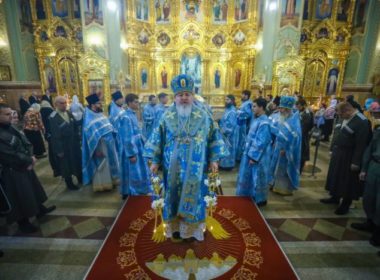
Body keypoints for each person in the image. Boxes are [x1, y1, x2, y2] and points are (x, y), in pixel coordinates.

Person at [144, 74, 227, 242]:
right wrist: (155, 160)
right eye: (180, 95)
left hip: (197, 166)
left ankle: (192, 230)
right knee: (172, 193)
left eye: (187, 94)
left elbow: (214, 137)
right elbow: (157, 138)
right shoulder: (166, 116)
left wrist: (214, 159)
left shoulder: (203, 116)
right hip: (171, 167)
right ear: (174, 97)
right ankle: (175, 228)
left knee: (195, 195)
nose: (183, 98)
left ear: (192, 96)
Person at [0, 103, 56, 233]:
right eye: (7, 114)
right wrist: (29, 159)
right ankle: (23, 222)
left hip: (25, 165)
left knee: (33, 189)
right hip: (13, 171)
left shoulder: (10, 127)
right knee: (19, 196)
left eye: (11, 113)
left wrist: (31, 155)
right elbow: (9, 155)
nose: (11, 116)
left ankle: (39, 210)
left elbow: (25, 141)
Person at [321, 102, 370, 215]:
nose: (340, 117)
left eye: (341, 114)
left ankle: (345, 205)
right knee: (336, 176)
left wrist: (356, 162)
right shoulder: (345, 117)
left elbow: (361, 144)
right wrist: (333, 148)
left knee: (347, 181)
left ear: (348, 111)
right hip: (339, 152)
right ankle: (335, 197)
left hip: (349, 155)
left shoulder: (361, 121)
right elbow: (339, 133)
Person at [351, 106, 380, 246]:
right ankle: (370, 221)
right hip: (374, 166)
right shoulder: (378, 129)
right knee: (369, 197)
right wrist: (364, 168)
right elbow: (370, 149)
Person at [236, 98, 272, 206]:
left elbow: (261, 141)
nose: (252, 108)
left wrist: (254, 157)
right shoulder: (257, 119)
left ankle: (259, 199)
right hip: (249, 153)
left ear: (261, 107)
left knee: (257, 177)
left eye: (254, 106)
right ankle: (248, 195)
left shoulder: (264, 122)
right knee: (249, 176)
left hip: (258, 157)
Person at [82, 93, 120, 192]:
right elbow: (90, 138)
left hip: (109, 145)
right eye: (99, 103)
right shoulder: (88, 118)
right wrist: (96, 150)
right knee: (103, 168)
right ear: (93, 105)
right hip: (100, 147)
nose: (101, 105)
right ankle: (103, 185)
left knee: (111, 164)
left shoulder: (99, 113)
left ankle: (112, 181)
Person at [118, 94, 151, 198]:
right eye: (136, 102)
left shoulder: (132, 114)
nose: (138, 104)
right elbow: (127, 137)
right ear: (129, 103)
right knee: (132, 170)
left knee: (138, 169)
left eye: (138, 102)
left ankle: (133, 190)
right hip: (131, 149)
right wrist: (131, 154)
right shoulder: (126, 117)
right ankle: (131, 191)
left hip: (137, 146)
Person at [269, 96, 302, 196]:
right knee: (276, 167)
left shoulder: (294, 120)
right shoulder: (283, 117)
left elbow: (295, 137)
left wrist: (286, 149)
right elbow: (279, 131)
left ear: (287, 109)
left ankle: (284, 189)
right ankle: (275, 184)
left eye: (282, 108)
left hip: (287, 149)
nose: (280, 110)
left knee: (283, 169)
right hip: (278, 146)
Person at [49, 96, 82, 190]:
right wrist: (59, 150)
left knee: (76, 160)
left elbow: (75, 125)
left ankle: (80, 178)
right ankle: (69, 183)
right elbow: (55, 135)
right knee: (66, 165)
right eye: (61, 103)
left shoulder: (68, 112)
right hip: (63, 145)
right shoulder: (53, 117)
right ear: (56, 104)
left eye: (65, 103)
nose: (64, 105)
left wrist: (78, 137)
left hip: (73, 143)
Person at [40, 99, 60, 176]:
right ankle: (58, 169)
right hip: (52, 134)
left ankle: (55, 169)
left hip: (47, 134)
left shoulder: (41, 110)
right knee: (55, 151)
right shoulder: (49, 110)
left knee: (51, 152)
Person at [219, 95, 238, 170]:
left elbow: (231, 125)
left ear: (232, 101)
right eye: (225, 99)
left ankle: (228, 166)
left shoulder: (232, 111)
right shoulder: (227, 109)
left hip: (229, 135)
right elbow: (224, 120)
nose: (226, 101)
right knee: (224, 149)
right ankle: (223, 164)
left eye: (228, 100)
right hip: (224, 133)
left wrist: (224, 130)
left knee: (229, 149)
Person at [296, 98, 314, 173]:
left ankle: (299, 169)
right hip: (298, 135)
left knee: (302, 153)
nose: (297, 107)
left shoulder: (307, 114)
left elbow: (305, 127)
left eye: (299, 106)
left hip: (303, 136)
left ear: (303, 105)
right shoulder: (300, 112)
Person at [236, 90, 253, 161]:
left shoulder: (248, 104)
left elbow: (248, 114)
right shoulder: (244, 103)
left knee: (242, 140)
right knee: (240, 140)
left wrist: (238, 112)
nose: (241, 96)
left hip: (243, 124)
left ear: (246, 96)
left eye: (242, 94)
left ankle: (240, 157)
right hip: (241, 124)